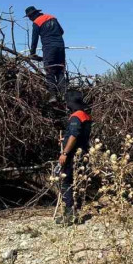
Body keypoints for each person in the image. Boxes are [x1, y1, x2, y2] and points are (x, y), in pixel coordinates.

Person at [56, 90, 92, 224]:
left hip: (73, 155)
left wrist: (64, 152)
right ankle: (75, 210)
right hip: (83, 153)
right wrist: (64, 139)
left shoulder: (76, 117)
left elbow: (74, 135)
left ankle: (69, 214)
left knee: (66, 181)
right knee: (77, 183)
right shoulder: (86, 116)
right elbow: (78, 135)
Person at [26, 6, 66, 102]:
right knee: (60, 71)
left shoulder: (37, 22)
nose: (29, 19)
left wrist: (32, 53)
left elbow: (34, 39)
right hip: (60, 46)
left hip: (49, 48)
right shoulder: (52, 17)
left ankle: (53, 96)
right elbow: (62, 31)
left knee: (50, 71)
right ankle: (64, 95)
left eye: (29, 17)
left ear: (32, 15)